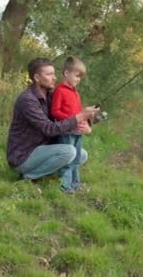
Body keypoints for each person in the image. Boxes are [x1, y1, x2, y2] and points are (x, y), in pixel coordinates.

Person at [6, 58, 97, 193]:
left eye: (54, 73)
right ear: (37, 77)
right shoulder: (28, 100)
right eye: (49, 74)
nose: (54, 78)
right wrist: (79, 117)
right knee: (69, 152)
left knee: (81, 154)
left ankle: (56, 177)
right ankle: (28, 177)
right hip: (24, 156)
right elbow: (49, 129)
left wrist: (87, 124)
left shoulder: (50, 95)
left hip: (43, 148)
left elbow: (70, 113)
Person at [51, 56, 90, 192]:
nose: (78, 80)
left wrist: (84, 120)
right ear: (67, 73)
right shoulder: (59, 90)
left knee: (76, 159)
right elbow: (55, 112)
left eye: (80, 77)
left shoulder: (75, 93)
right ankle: (65, 186)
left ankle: (75, 184)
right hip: (66, 132)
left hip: (77, 132)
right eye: (76, 76)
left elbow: (79, 112)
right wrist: (72, 119)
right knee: (68, 160)